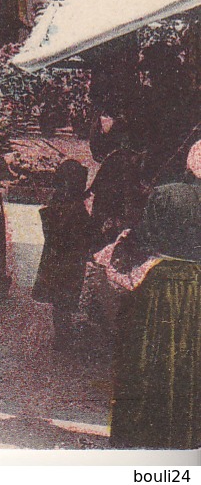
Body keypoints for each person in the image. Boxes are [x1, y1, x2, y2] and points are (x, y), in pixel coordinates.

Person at [107, 140, 201, 449]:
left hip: (161, 282)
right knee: (189, 358)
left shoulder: (166, 194)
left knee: (149, 356)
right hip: (196, 285)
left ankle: (138, 434)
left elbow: (143, 239)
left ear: (189, 164)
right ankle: (183, 437)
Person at [31, 160, 95, 348]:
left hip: (54, 258)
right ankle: (63, 336)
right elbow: (83, 233)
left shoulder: (57, 202)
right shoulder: (74, 209)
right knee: (65, 299)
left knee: (58, 301)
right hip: (70, 260)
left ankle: (62, 334)